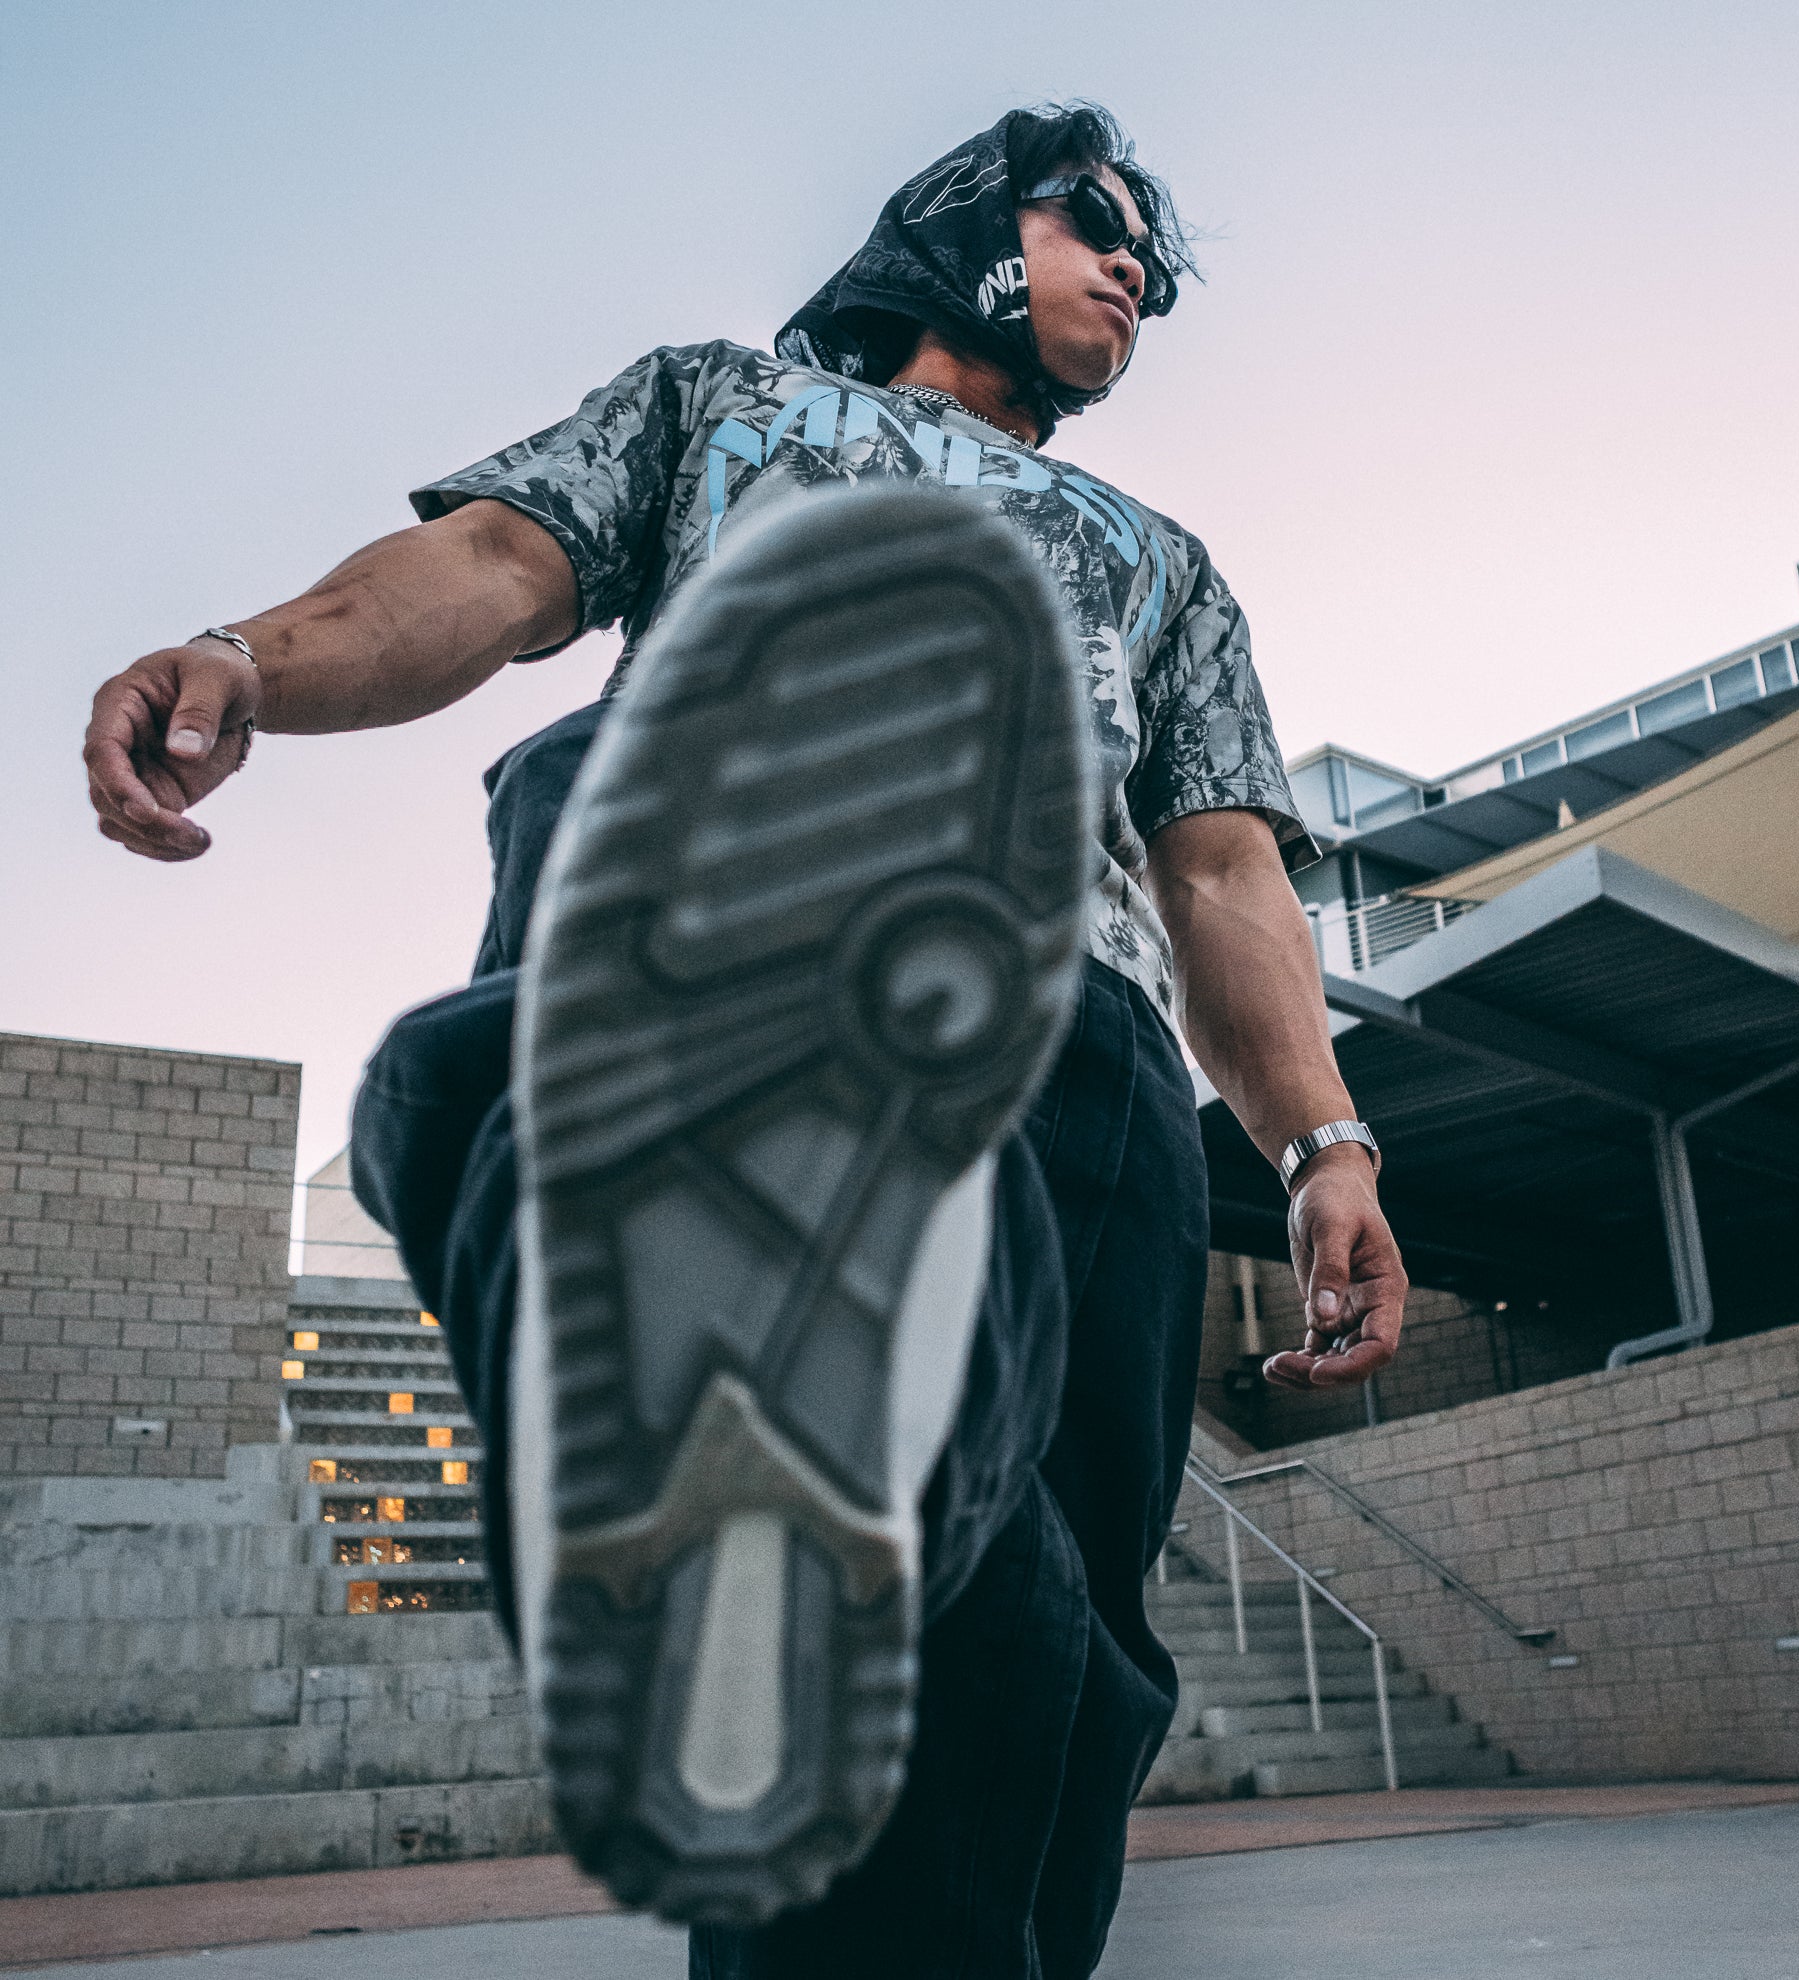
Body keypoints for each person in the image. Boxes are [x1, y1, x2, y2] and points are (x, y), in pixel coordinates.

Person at [83, 103, 1407, 1980]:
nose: (1135, 270)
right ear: (963, 227)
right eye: (1094, 221)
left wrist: (1322, 1145)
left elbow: (1218, 872)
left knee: (1061, 1661)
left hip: (1080, 1069)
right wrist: (249, 656)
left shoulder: (1166, 562)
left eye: (1156, 268)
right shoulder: (722, 404)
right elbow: (490, 567)